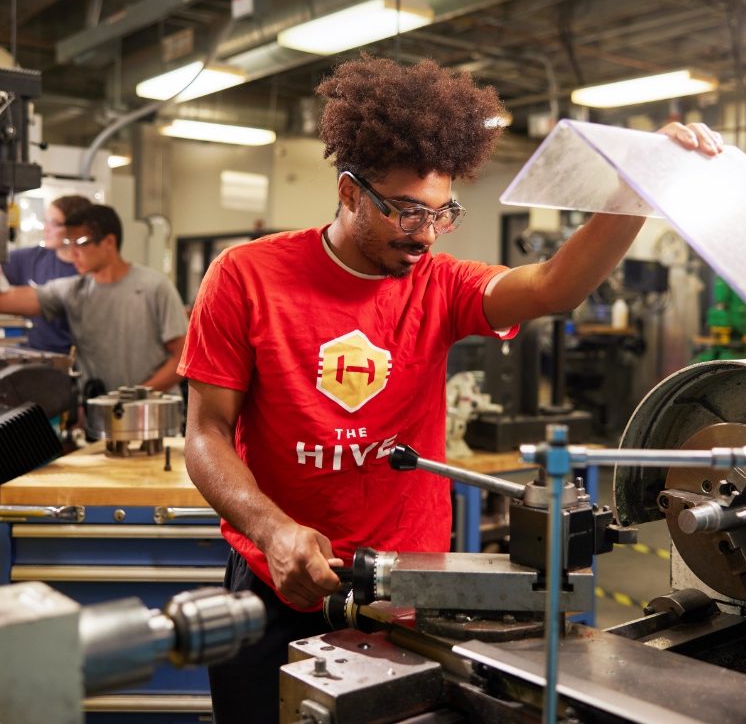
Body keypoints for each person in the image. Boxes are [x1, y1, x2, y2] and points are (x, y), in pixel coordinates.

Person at [177, 55, 723, 723]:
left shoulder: (440, 284)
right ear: (349, 192)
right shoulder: (245, 276)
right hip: (272, 583)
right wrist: (272, 530)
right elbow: (204, 434)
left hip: (411, 587)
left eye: (442, 213)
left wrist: (641, 187)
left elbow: (556, 286)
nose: (426, 235)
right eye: (406, 212)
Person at [0, 204, 187, 395]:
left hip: (155, 415)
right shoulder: (74, 290)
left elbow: (183, 355)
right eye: (69, 243)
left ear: (109, 242)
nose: (72, 253)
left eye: (80, 243)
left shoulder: (154, 287)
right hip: (99, 415)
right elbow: (10, 300)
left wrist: (136, 396)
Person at [1, 194, 89, 354]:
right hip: (32, 355)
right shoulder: (32, 258)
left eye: (55, 224)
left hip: (71, 362)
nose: (46, 228)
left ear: (77, 228)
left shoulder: (88, 272)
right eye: (46, 221)